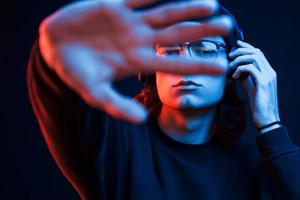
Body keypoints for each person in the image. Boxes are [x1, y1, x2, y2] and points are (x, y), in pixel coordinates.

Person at [27, 0, 300, 199]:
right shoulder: (116, 144)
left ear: (233, 70)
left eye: (205, 49)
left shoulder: (256, 164)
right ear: (150, 69)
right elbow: (62, 103)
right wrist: (52, 61)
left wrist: (271, 126)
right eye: (169, 51)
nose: (184, 63)